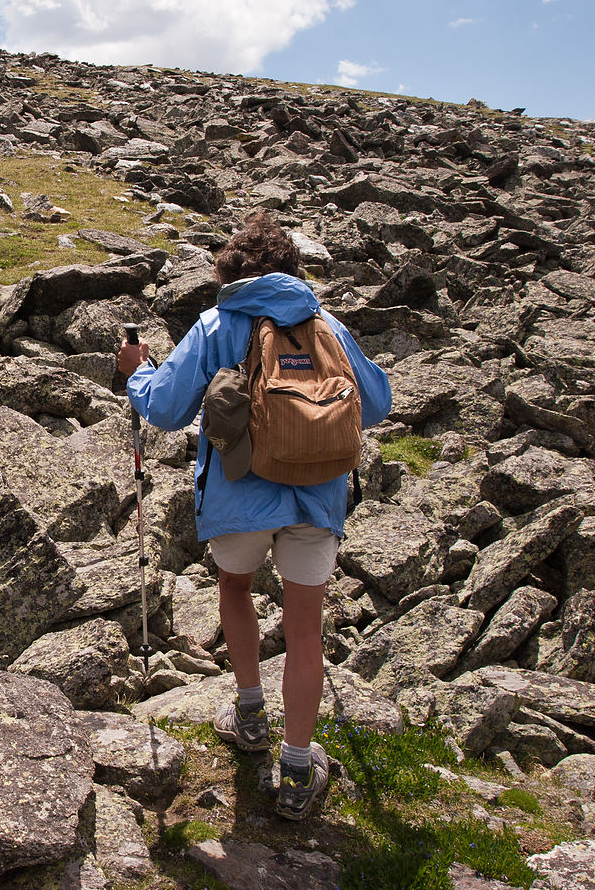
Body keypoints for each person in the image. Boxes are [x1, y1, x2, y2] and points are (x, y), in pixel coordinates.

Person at [117, 212, 391, 821]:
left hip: (240, 497)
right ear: (293, 270)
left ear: (232, 271)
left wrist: (136, 370)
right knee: (304, 631)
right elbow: (377, 404)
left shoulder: (217, 323)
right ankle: (296, 766)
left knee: (235, 588)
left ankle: (248, 713)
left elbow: (164, 409)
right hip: (317, 499)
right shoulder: (327, 326)